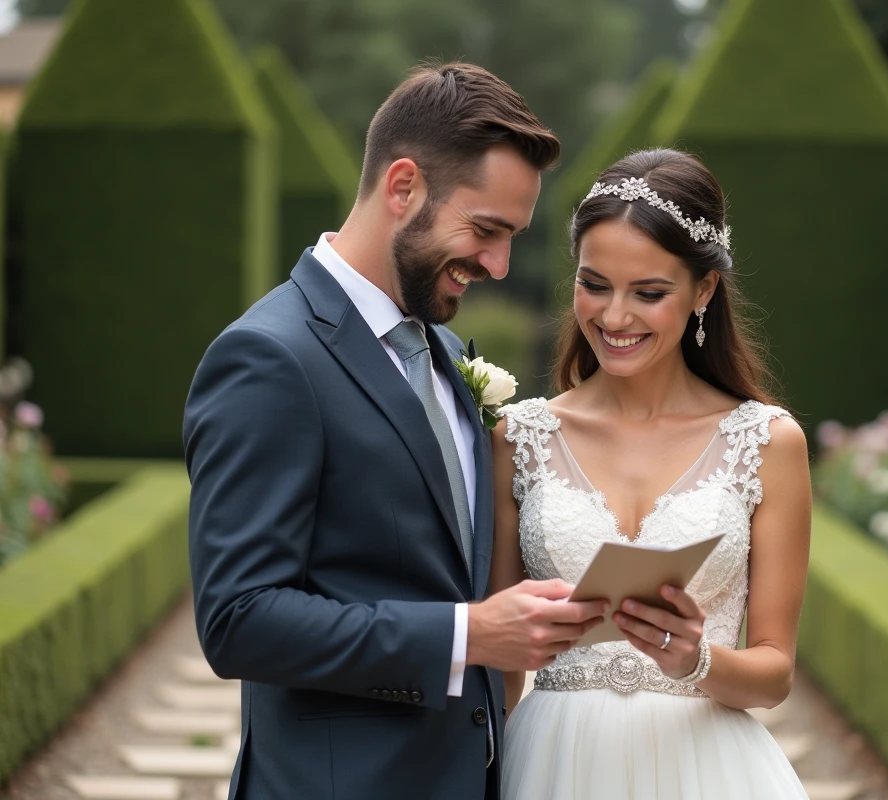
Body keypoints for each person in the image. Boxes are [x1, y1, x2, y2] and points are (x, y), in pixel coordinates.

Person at [184, 62, 607, 800]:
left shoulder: (447, 353)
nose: (499, 265)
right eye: (485, 230)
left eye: (512, 238)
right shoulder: (269, 357)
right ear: (403, 186)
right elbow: (238, 619)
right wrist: (467, 635)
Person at [492, 148, 813, 799]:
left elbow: (774, 673)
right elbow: (499, 666)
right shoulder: (518, 438)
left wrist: (696, 660)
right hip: (552, 765)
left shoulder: (767, 442)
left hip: (710, 770)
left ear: (704, 290)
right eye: (594, 283)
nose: (613, 318)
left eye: (649, 293)